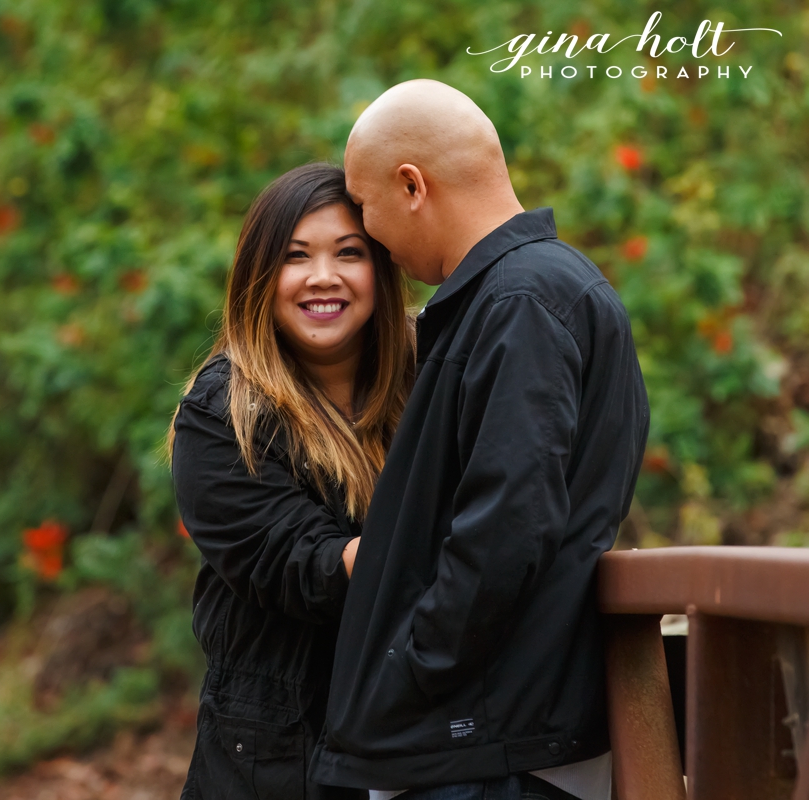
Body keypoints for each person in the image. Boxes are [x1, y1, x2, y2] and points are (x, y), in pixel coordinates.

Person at [308, 81, 650, 800]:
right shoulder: (522, 295)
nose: (372, 239)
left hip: (485, 752)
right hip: (487, 738)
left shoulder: (520, 301)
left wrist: (412, 668)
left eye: (366, 211)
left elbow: (508, 522)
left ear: (411, 186)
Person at [169, 162, 414, 800]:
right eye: (295, 256)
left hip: (414, 742)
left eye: (349, 253)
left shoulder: (430, 383)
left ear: (381, 270)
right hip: (275, 761)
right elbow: (299, 565)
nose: (323, 277)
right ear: (259, 276)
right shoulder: (224, 413)